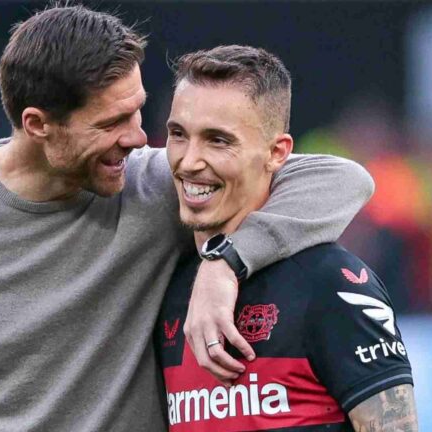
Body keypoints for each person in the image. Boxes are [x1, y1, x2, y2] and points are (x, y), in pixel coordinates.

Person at [0, 6, 374, 432]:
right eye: (111, 122)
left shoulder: (153, 184)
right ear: (38, 124)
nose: (138, 138)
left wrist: (225, 264)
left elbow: (342, 179)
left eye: (138, 112)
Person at [155, 45, 417, 431]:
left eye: (218, 140)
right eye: (178, 134)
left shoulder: (331, 283)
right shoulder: (168, 287)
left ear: (277, 153)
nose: (189, 161)